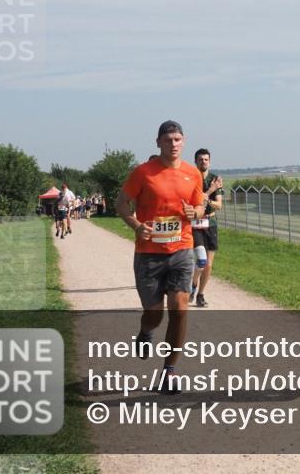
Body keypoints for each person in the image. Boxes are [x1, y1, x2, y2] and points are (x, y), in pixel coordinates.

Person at [116, 120, 204, 394]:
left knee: (179, 309)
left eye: (177, 139)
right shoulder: (143, 172)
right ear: (158, 142)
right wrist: (136, 225)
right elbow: (121, 203)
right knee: (154, 314)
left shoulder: (193, 174)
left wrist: (196, 213)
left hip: (181, 250)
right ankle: (145, 332)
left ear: (184, 141)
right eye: (168, 140)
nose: (173, 144)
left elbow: (199, 205)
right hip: (149, 255)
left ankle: (169, 371)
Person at [190, 148, 224, 307]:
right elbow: (196, 199)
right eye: (200, 159)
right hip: (196, 224)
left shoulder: (215, 178)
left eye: (206, 159)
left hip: (210, 223)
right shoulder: (190, 178)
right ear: (195, 161)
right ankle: (193, 283)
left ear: (209, 161)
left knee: (208, 264)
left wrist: (207, 200)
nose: (203, 162)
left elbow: (219, 205)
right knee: (201, 260)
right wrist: (209, 191)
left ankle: (200, 294)